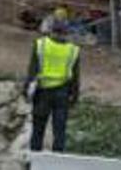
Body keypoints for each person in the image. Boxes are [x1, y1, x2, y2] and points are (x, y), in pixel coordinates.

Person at [26, 19, 81, 152]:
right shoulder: (73, 50)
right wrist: (74, 96)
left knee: (38, 129)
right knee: (59, 130)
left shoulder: (41, 44)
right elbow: (75, 75)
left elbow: (32, 69)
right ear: (66, 33)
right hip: (62, 92)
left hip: (42, 92)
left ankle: (34, 160)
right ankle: (58, 161)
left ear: (51, 31)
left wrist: (27, 89)